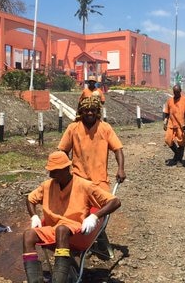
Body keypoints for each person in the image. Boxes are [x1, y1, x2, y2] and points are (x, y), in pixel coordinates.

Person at [22, 151, 121, 283]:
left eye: (54, 171)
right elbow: (30, 199)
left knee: (62, 230)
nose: (51, 175)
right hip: (54, 229)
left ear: (65, 169)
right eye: (50, 171)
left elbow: (115, 202)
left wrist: (94, 217)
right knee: (28, 235)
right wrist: (34, 216)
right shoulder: (47, 186)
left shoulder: (84, 185)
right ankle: (35, 281)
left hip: (77, 232)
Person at [58, 95, 125, 259]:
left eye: (93, 110)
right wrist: (63, 170)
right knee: (77, 215)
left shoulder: (105, 128)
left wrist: (121, 168)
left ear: (97, 111)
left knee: (99, 216)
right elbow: (62, 151)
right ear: (81, 111)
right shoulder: (73, 128)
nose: (89, 113)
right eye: (86, 110)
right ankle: (79, 244)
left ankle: (98, 244)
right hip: (78, 180)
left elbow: (118, 149)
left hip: (99, 181)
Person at [163, 84, 185, 167]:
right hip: (171, 124)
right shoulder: (169, 101)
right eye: (174, 92)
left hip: (180, 124)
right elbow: (167, 113)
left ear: (180, 91)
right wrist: (165, 122)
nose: (176, 94)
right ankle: (177, 154)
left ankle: (179, 159)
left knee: (181, 142)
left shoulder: (184, 100)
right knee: (168, 140)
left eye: (177, 92)